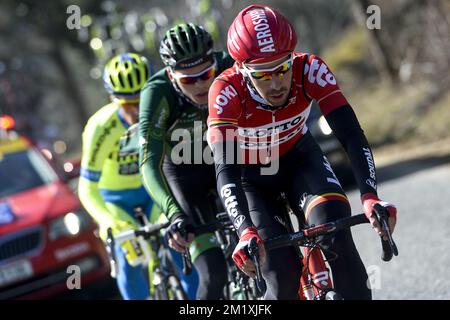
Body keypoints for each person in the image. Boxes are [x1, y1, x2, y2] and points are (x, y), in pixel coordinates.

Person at [207, 5, 397, 300]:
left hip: (299, 159)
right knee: (281, 277)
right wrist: (244, 229)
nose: (277, 83)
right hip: (252, 180)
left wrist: (370, 196)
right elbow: (225, 171)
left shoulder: (309, 68)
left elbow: (350, 134)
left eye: (283, 68)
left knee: (334, 230)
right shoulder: (225, 91)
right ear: (243, 70)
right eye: (263, 75)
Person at [78, 52, 196, 300]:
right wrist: (108, 221)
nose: (135, 111)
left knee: (180, 244)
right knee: (128, 259)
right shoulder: (100, 127)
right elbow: (87, 187)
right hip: (117, 201)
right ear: (113, 99)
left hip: (152, 192)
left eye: (141, 99)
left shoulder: (162, 111)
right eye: (126, 104)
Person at [138, 23, 234, 300]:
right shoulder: (157, 93)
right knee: (214, 273)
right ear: (171, 75)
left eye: (206, 74)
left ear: (215, 62)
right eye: (188, 80)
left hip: (227, 160)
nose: (201, 85)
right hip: (184, 173)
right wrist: (174, 214)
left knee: (268, 248)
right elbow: (148, 163)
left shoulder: (230, 65)